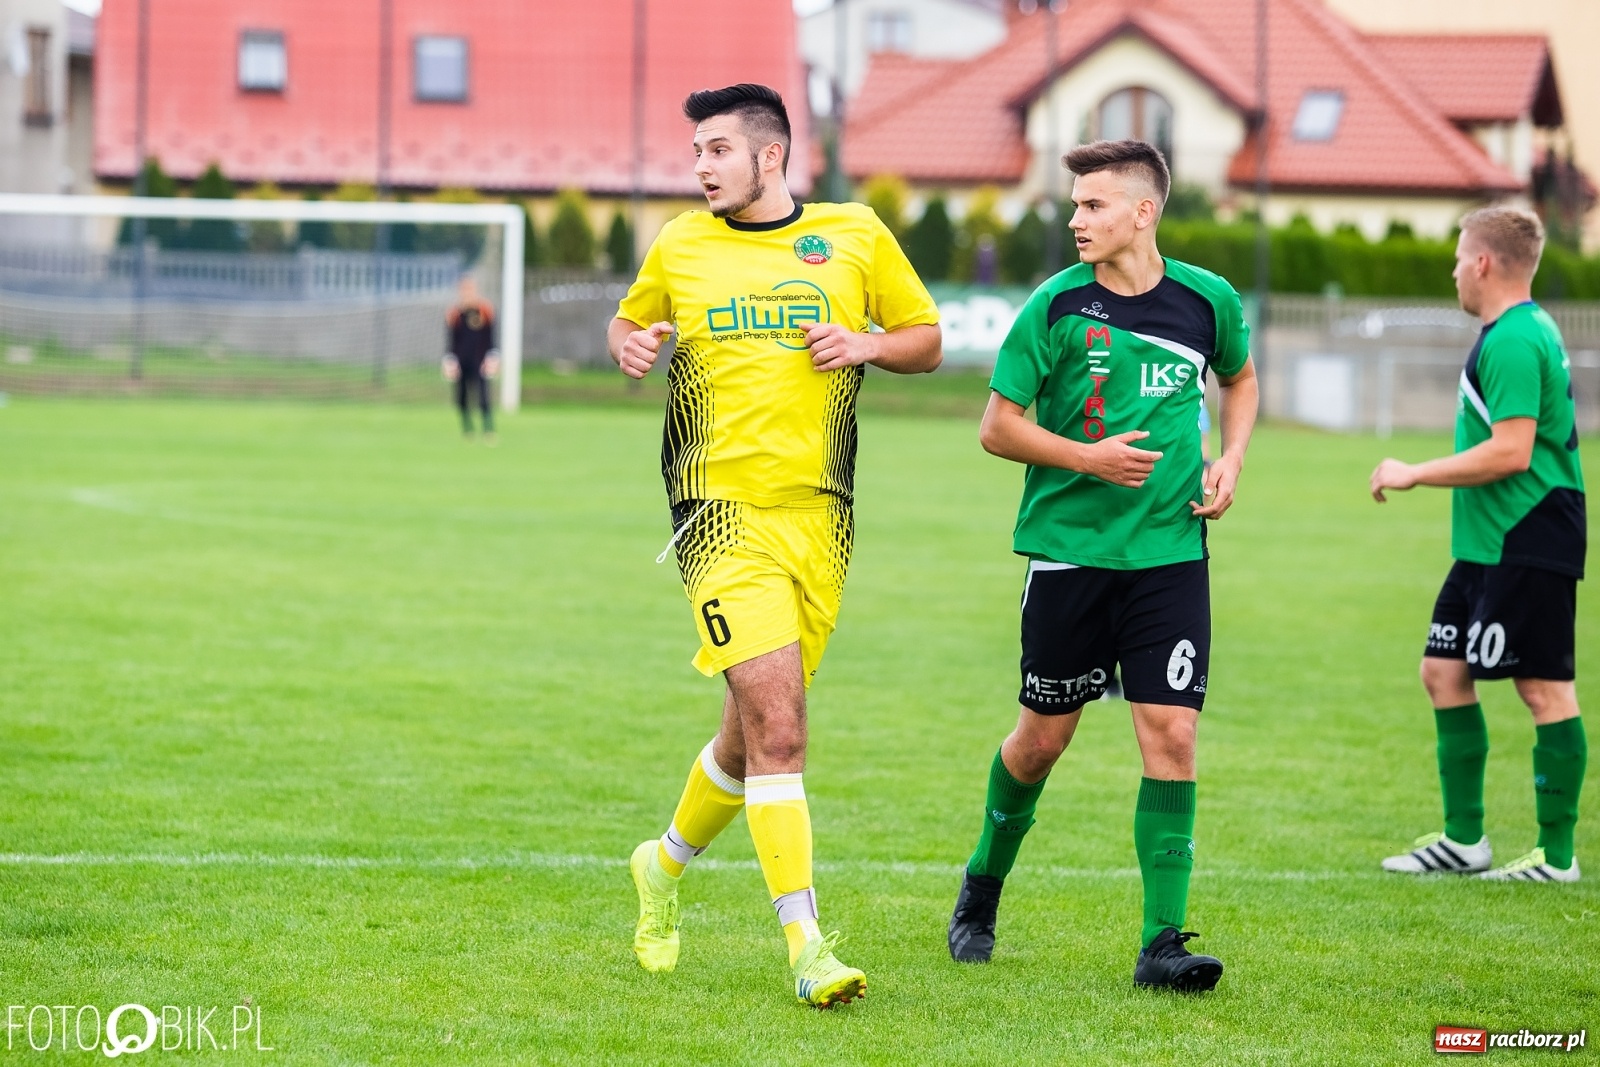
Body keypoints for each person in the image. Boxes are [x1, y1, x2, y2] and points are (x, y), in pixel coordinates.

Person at [607, 82, 942, 1007]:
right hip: (716, 516)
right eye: (696, 153)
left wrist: (866, 346)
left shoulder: (856, 235)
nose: (701, 167)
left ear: (769, 156)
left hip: (821, 520)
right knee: (784, 727)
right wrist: (630, 345)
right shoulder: (680, 242)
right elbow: (630, 321)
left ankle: (661, 864)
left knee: (753, 735)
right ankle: (806, 945)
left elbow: (927, 339)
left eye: (717, 150)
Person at [946, 139, 1258, 993]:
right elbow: (996, 426)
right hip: (1070, 558)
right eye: (1075, 205)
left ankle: (1163, 941)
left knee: (1174, 733)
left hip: (1169, 557)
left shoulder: (1207, 301)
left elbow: (1241, 378)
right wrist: (1088, 460)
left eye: (1093, 205)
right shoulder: (1053, 306)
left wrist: (1230, 457)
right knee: (1042, 741)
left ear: (1143, 212)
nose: (1076, 219)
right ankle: (982, 882)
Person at [1372, 206, 1586, 883]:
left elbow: (1514, 451)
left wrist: (1413, 472)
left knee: (1544, 689)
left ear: (1485, 262)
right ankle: (1465, 841)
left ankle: (1557, 857)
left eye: (1461, 256)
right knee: (1443, 672)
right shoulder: (1512, 331)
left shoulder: (1518, 338)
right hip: (1489, 543)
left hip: (1529, 533)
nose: (1455, 269)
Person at [443, 277, 499, 439]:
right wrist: (449, 360)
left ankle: (488, 429)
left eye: (470, 289)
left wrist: (493, 357)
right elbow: (451, 340)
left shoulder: (485, 310)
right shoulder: (454, 313)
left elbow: (491, 337)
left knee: (483, 395)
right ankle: (468, 429)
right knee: (461, 396)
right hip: (461, 361)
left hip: (480, 360)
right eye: (464, 290)